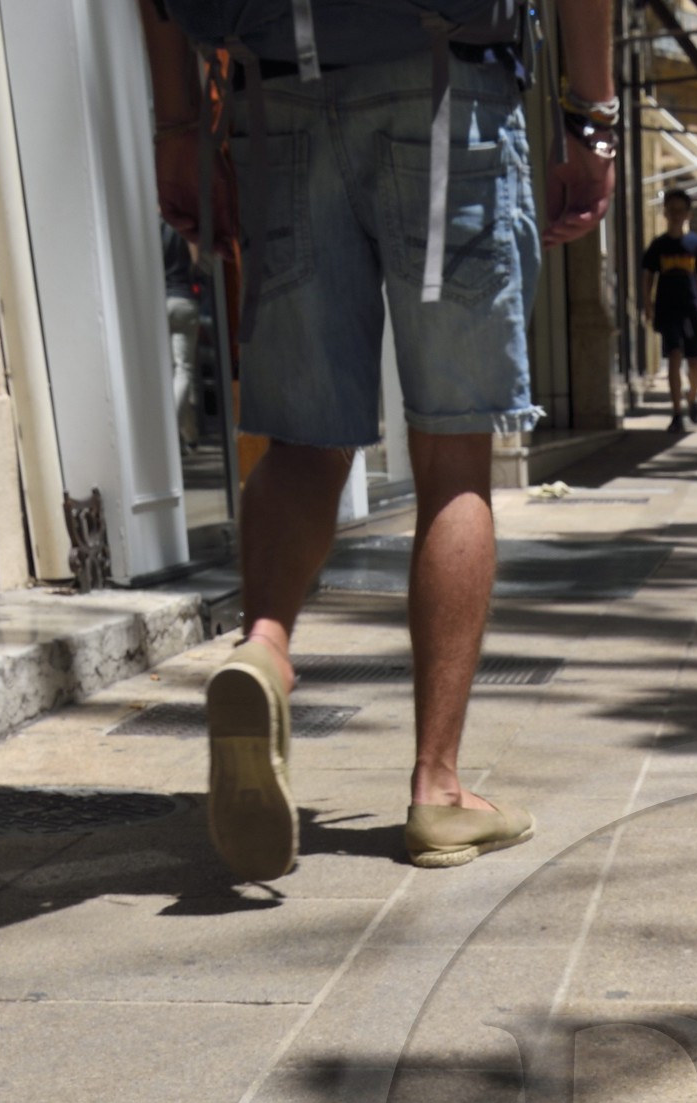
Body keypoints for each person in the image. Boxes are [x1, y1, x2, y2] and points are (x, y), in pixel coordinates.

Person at [138, 0, 615, 881]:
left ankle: (265, 648)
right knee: (452, 453)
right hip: (450, 91)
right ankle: (437, 789)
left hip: (277, 94)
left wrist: (176, 128)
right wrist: (592, 121)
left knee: (302, 440)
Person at [643, 186, 697, 430]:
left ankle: (692, 396)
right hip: (668, 309)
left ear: (688, 214)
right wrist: (647, 304)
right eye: (672, 210)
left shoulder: (696, 244)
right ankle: (676, 412)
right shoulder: (658, 245)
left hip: (691, 309)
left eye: (681, 210)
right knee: (674, 356)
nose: (676, 215)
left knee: (694, 361)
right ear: (665, 213)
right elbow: (648, 277)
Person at [160, 219, 199, 447]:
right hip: (184, 299)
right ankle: (171, 432)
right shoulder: (185, 226)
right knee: (183, 370)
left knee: (170, 372)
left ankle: (190, 436)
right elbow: (197, 261)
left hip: (161, 301)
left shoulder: (153, 227)